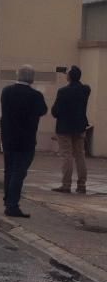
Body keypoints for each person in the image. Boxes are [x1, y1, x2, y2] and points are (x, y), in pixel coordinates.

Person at [0, 64, 48, 218]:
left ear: (17, 76)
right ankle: (12, 205)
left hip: (8, 137)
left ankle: (8, 200)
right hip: (26, 139)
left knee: (9, 171)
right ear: (32, 78)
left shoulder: (6, 92)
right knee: (19, 173)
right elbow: (43, 111)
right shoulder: (35, 96)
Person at [51, 65, 90, 194]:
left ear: (69, 77)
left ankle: (66, 185)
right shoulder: (85, 90)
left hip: (64, 127)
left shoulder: (63, 92)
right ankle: (81, 185)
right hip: (79, 126)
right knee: (80, 155)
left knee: (67, 155)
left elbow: (55, 111)